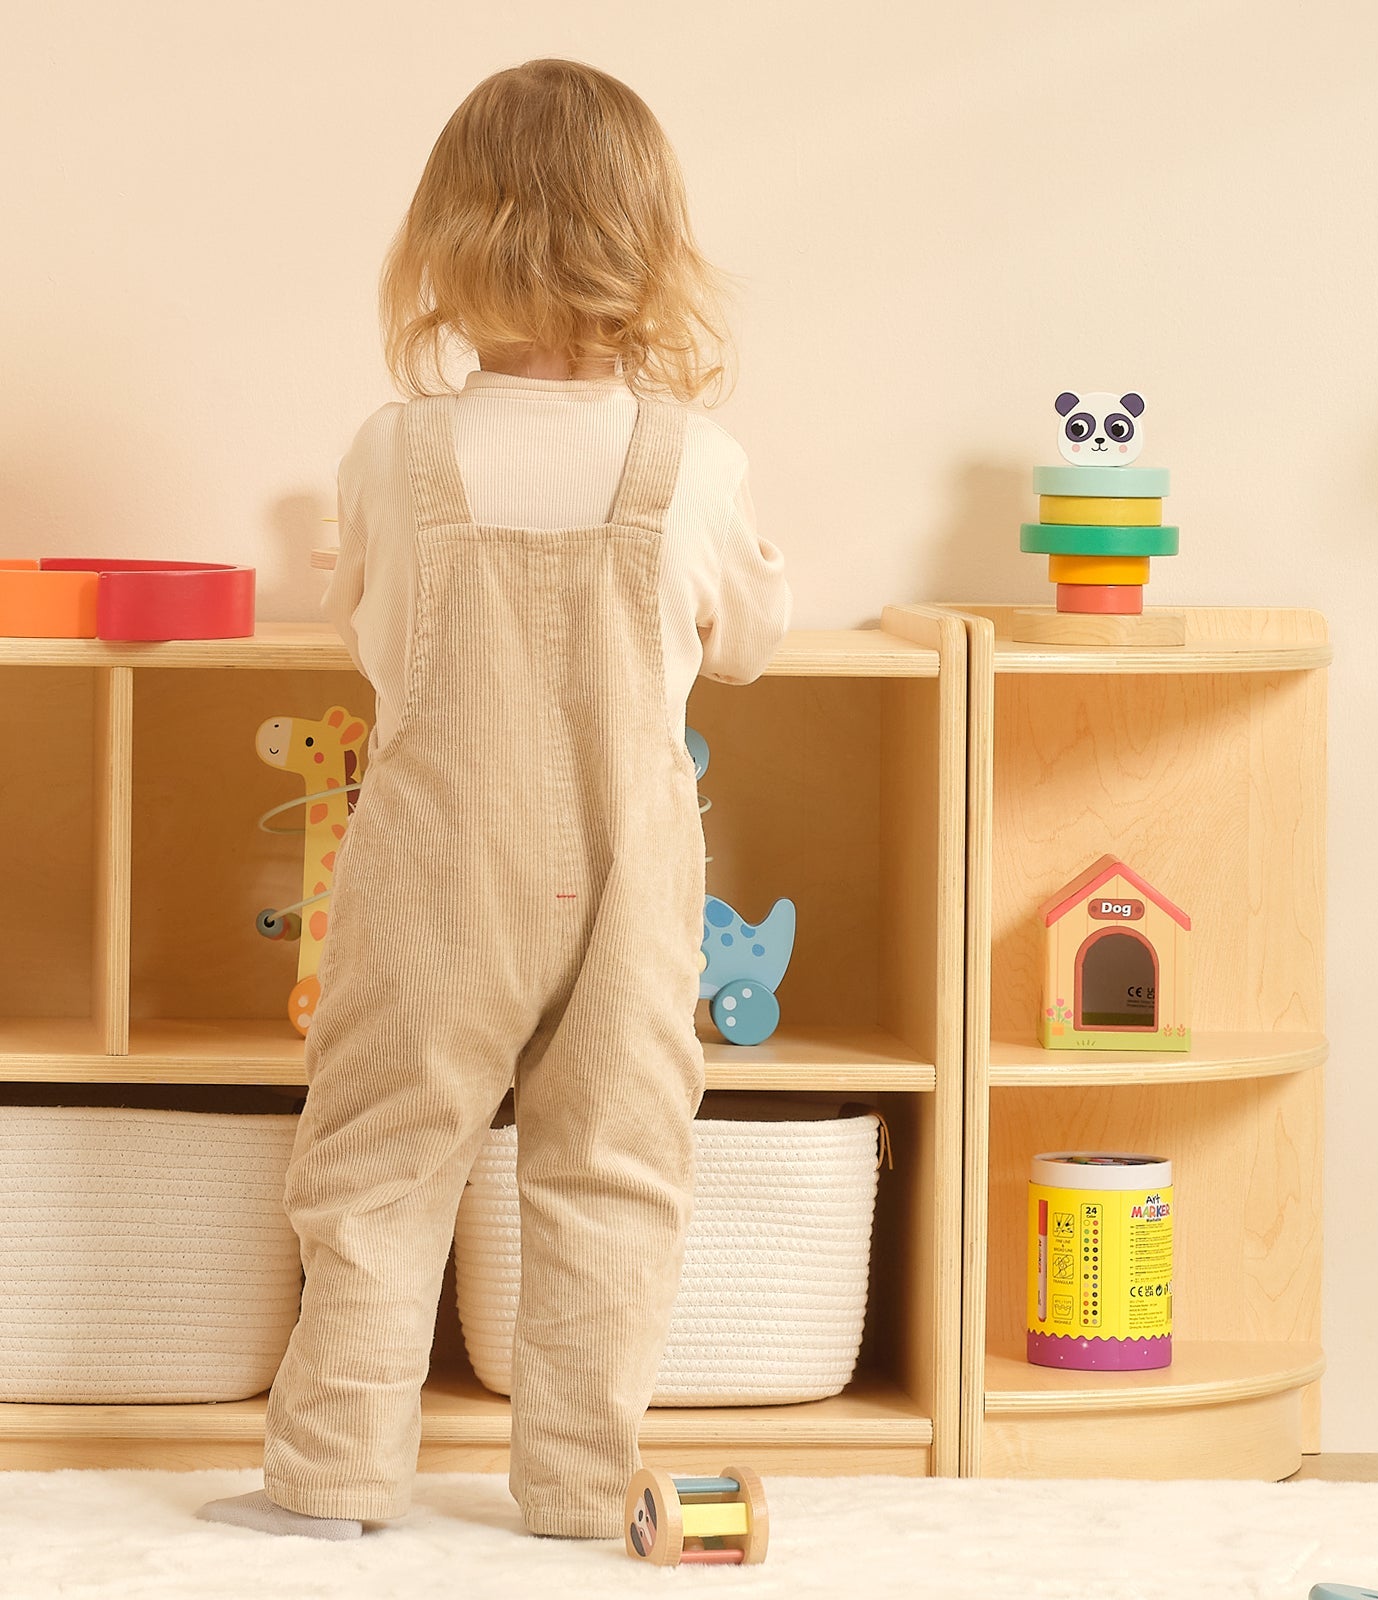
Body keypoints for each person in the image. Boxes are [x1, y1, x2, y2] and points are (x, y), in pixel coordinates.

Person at [201, 57, 789, 1542]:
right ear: (648, 249)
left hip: (435, 855)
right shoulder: (695, 465)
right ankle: (583, 1488)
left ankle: (332, 1479)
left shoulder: (393, 452)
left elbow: (368, 631)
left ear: (447, 247)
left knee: (381, 1159)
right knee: (615, 1167)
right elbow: (754, 646)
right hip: (632, 868)